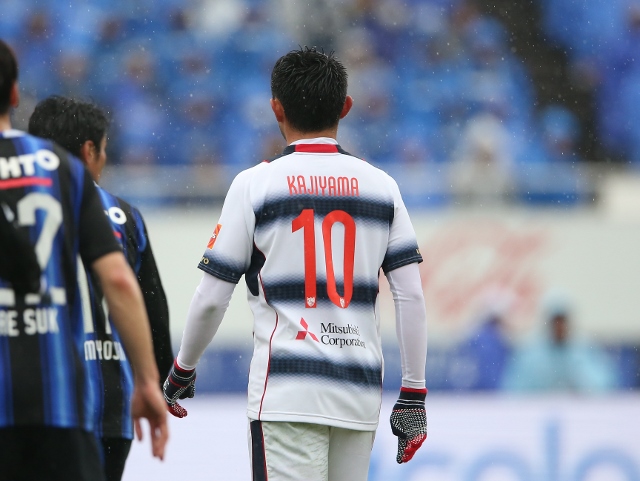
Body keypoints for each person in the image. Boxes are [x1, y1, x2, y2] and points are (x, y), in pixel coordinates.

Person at [163, 47, 429, 481]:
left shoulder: (254, 185)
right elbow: (411, 295)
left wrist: (182, 369)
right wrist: (414, 394)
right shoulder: (382, 187)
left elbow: (212, 297)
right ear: (345, 107)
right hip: (358, 394)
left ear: (276, 109)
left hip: (286, 393)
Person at [0, 39, 168, 481]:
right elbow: (124, 283)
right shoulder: (67, 177)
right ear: (14, 93)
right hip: (71, 404)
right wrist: (152, 379)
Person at [502, 303, 619, 393]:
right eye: (555, 322)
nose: (559, 327)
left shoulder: (585, 348)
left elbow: (605, 387)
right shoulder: (530, 353)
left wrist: (578, 375)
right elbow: (513, 390)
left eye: (562, 322)